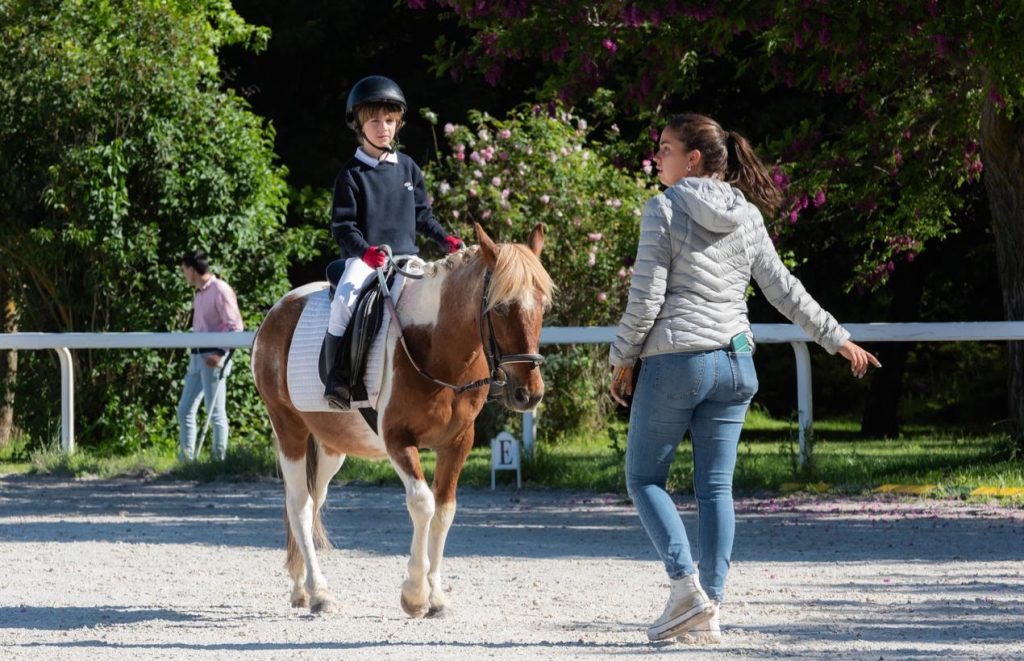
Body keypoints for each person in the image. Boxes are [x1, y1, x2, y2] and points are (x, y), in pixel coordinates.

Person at [608, 114, 881, 644]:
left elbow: (645, 300)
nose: (655, 157)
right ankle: (710, 606)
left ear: (692, 160)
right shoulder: (747, 214)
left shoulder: (663, 209)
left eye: (664, 149)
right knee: (715, 489)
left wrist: (621, 359)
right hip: (736, 364)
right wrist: (836, 337)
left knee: (643, 480)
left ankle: (685, 588)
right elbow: (783, 288)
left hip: (677, 362)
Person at [324, 75, 463, 409]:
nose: (383, 127)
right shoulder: (351, 174)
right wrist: (365, 252)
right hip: (366, 258)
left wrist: (445, 238)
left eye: (390, 120)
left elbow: (422, 216)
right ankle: (338, 378)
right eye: (374, 120)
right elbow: (342, 227)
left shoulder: (408, 168)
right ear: (358, 124)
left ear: (399, 123)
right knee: (344, 300)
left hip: (407, 258)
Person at [177, 249, 244, 461]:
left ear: (191, 270)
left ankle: (219, 459)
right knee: (185, 409)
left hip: (214, 359)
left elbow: (236, 326)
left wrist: (220, 354)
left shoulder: (220, 290)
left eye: (183, 270)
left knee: (215, 413)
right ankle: (186, 459)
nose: (183, 275)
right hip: (196, 357)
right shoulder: (200, 293)